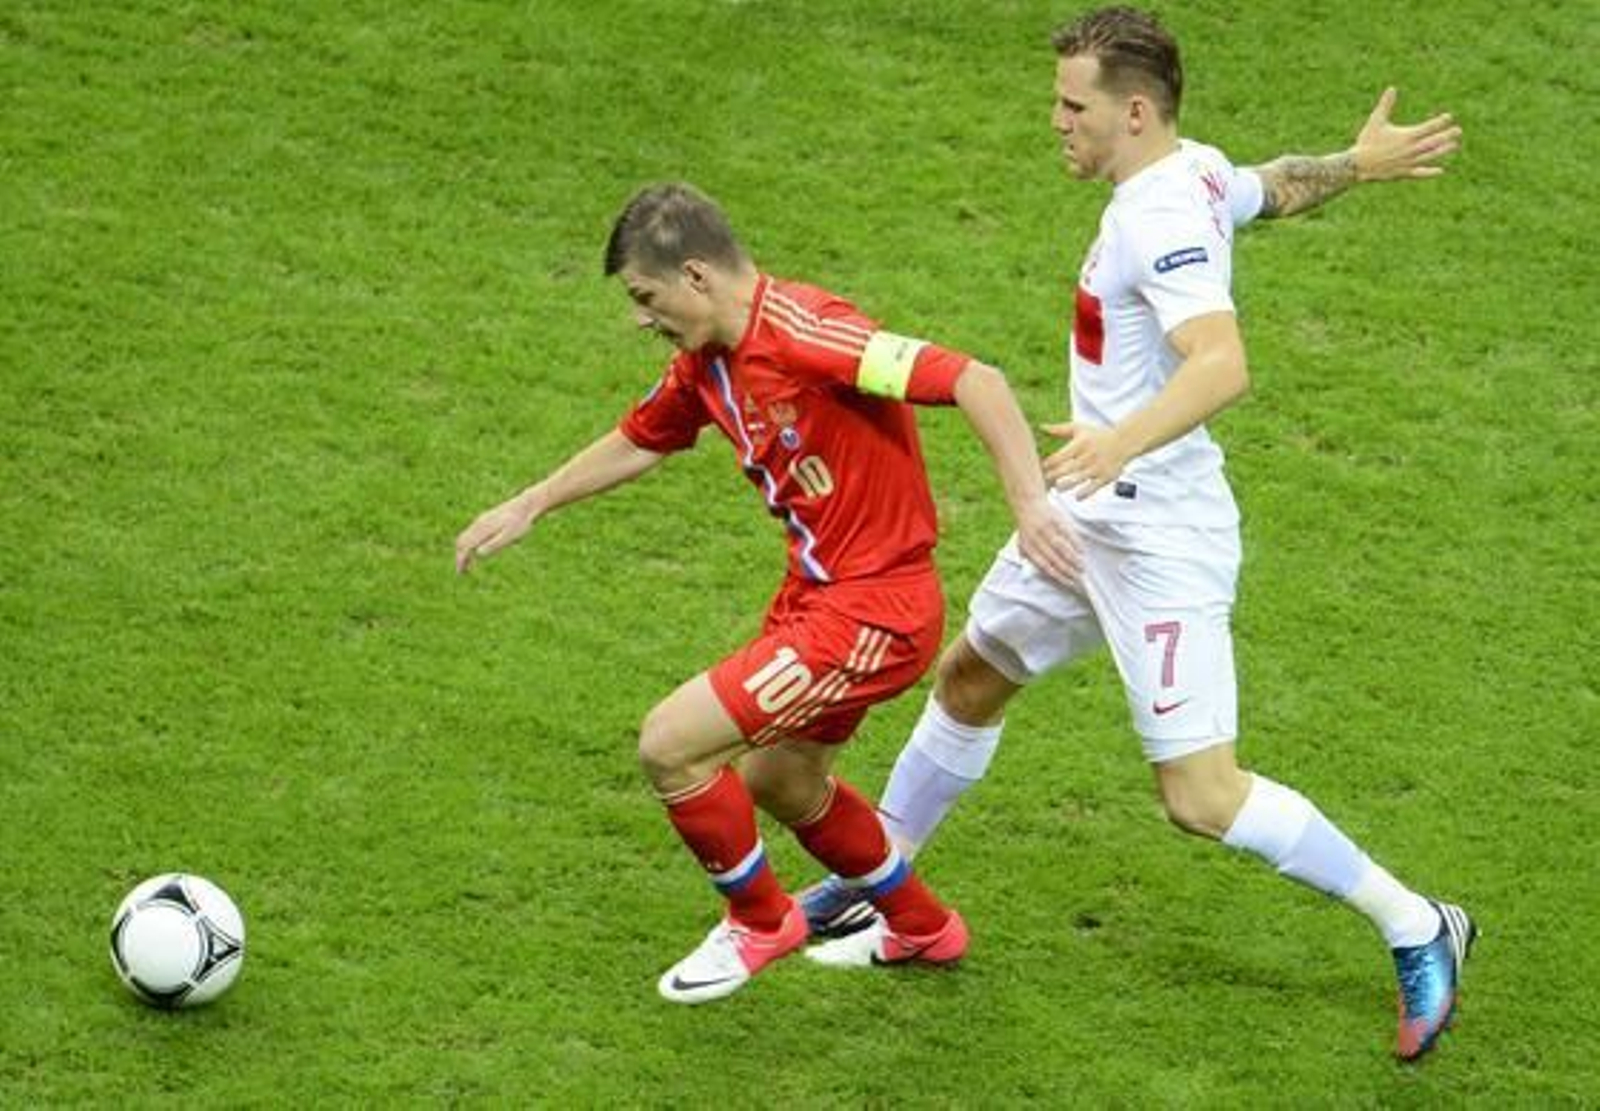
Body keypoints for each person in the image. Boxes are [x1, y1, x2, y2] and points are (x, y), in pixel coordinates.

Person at [801, 7, 1475, 1062]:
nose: (1056, 123)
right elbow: (1270, 187)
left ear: (1132, 110)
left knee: (1200, 797)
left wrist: (1118, 443)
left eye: (1072, 107)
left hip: (1156, 533)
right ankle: (879, 891)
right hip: (1085, 515)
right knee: (971, 678)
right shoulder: (1190, 172)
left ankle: (1417, 922)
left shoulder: (1154, 216)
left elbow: (1221, 362)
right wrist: (1359, 161)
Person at [454, 182, 1081, 1004]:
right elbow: (641, 440)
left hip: (874, 611)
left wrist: (1030, 506)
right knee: (780, 783)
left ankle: (760, 920)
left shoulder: (811, 336)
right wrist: (530, 502)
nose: (642, 318)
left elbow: (977, 380)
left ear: (696, 275)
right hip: (817, 599)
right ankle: (925, 927)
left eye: (646, 297)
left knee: (670, 745)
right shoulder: (706, 363)